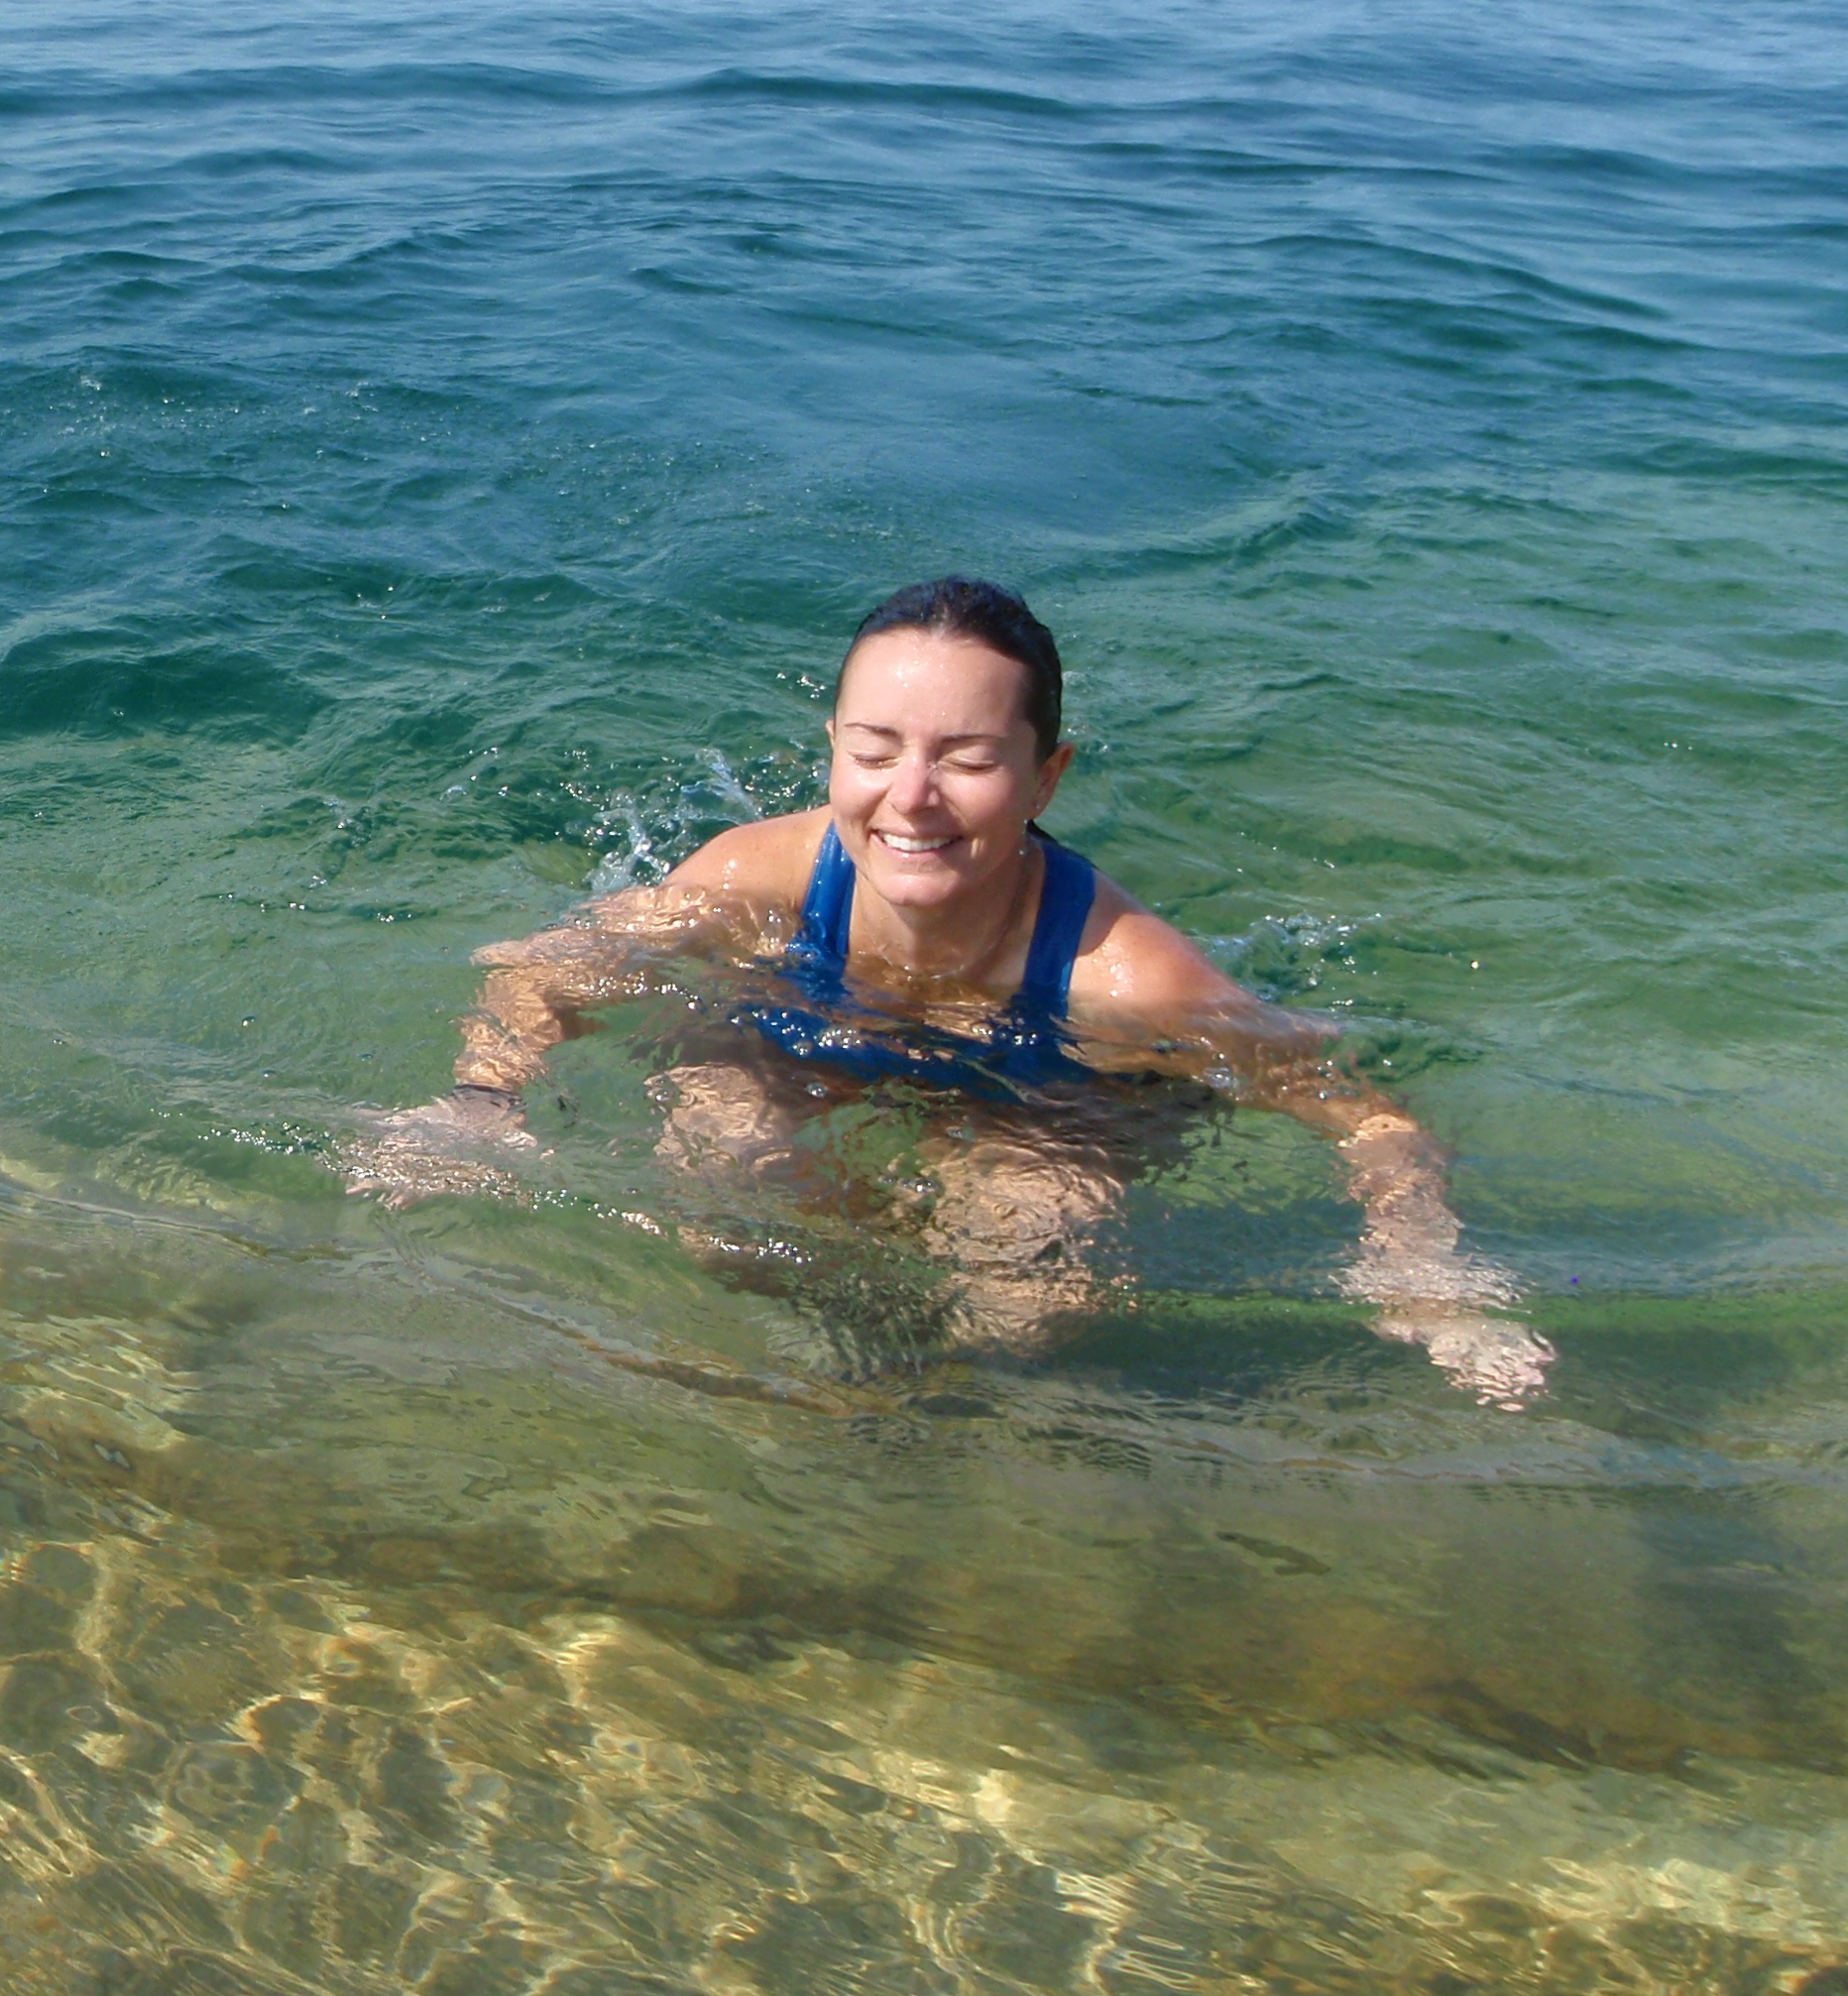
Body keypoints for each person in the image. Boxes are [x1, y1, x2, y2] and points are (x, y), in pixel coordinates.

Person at [355, 578, 1554, 1408]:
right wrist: (478, 1107)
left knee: (1028, 1296)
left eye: (969, 761)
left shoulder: (1129, 977)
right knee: (722, 1199)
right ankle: (814, 1398)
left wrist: (1425, 1265)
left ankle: (930, 1424)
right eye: (874, 751)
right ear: (831, 748)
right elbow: (543, 972)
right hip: (800, 1035)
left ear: (1045, 777)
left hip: (1041, 1093)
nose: (910, 798)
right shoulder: (756, 876)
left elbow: (1370, 1114)